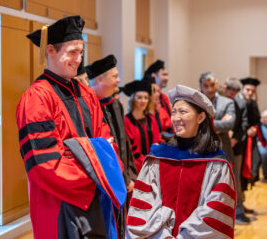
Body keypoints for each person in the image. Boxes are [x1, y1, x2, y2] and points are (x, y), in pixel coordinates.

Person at [17, 16, 126, 238]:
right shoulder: (37, 98)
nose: (79, 59)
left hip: (98, 198)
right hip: (60, 202)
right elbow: (44, 164)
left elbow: (108, 144)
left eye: (81, 51)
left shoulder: (86, 94)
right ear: (51, 50)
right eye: (72, 52)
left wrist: (78, 151)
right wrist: (95, 176)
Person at [126, 85, 236, 238]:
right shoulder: (157, 158)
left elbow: (215, 210)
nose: (176, 118)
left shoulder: (216, 162)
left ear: (201, 117)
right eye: (174, 112)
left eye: (183, 112)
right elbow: (145, 204)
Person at [86, 54, 137, 238]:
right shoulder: (88, 109)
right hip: (101, 186)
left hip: (121, 180)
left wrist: (129, 174)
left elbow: (124, 144)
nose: (119, 80)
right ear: (99, 79)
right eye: (114, 76)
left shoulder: (116, 105)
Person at [223, 77, 251, 224]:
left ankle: (239, 210)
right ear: (224, 87)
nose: (232, 93)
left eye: (235, 91)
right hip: (222, 146)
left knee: (236, 178)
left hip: (236, 147)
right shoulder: (219, 101)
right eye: (230, 90)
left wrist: (234, 140)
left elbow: (244, 124)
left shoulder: (241, 103)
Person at [123, 80, 161, 173]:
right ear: (133, 99)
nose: (143, 101)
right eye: (139, 97)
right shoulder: (126, 121)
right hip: (135, 168)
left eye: (146, 98)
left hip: (153, 166)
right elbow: (131, 148)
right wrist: (145, 162)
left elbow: (156, 141)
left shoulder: (151, 119)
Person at [199, 72, 236, 162]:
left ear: (217, 83)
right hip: (201, 150)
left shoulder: (227, 102)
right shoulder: (195, 103)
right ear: (200, 86)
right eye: (206, 86)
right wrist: (219, 124)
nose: (210, 89)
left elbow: (229, 124)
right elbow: (192, 124)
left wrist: (204, 123)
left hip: (223, 150)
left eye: (212, 85)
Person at [143, 74, 174, 139]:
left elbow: (171, 129)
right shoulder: (141, 113)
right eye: (154, 91)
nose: (158, 94)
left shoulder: (161, 111)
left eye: (158, 91)